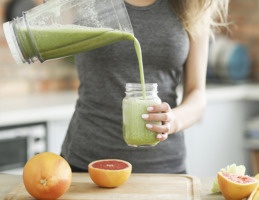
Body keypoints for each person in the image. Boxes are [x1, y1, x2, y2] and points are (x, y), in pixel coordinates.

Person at [61, 0, 229, 173]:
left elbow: (197, 92)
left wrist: (173, 120)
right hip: (87, 162)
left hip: (164, 166)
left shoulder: (193, 4)